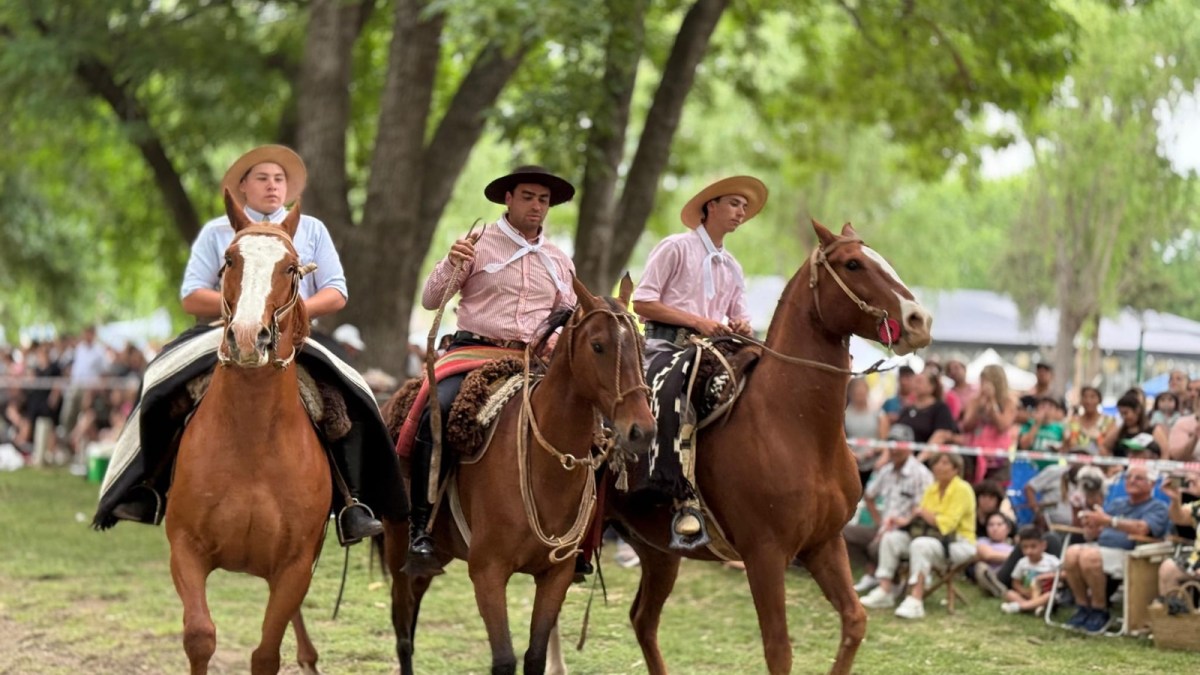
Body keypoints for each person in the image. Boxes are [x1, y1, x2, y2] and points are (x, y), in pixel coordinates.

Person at [94, 145, 404, 547]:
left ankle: (353, 503)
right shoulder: (216, 232)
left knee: (350, 391)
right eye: (262, 178)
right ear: (242, 187)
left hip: (295, 332)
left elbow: (337, 291)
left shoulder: (311, 229)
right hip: (224, 329)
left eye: (279, 179)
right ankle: (145, 486)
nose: (272, 186)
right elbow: (191, 296)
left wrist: (288, 313)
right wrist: (243, 311)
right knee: (159, 377)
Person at [406, 165, 578, 571]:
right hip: (475, 353)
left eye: (543, 200)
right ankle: (420, 528)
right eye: (528, 197)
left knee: (589, 430)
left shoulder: (558, 259)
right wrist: (450, 263)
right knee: (437, 410)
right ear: (509, 199)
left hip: (533, 363)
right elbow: (432, 299)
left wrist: (554, 349)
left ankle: (580, 540)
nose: (536, 205)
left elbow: (566, 316)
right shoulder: (476, 244)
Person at [631, 175, 766, 548]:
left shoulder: (732, 265)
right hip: (665, 347)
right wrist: (697, 321)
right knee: (675, 389)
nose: (741, 213)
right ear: (711, 206)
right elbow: (642, 302)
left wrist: (740, 324)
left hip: (715, 350)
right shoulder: (675, 247)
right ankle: (678, 496)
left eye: (744, 207)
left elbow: (741, 316)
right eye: (734, 204)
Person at [861, 453, 976, 619]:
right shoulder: (932, 488)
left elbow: (947, 525)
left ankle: (916, 599)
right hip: (931, 537)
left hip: (957, 543)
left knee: (920, 544)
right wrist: (902, 521)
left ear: (956, 469)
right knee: (891, 538)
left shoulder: (963, 489)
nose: (938, 467)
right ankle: (885, 590)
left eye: (944, 463)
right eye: (936, 463)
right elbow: (919, 517)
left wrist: (922, 512)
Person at [1061, 464, 1170, 634]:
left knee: (1089, 556)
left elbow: (1143, 528)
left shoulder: (1157, 507)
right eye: (1129, 477)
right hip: (1102, 548)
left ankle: (1100, 610)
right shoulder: (1118, 503)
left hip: (1132, 555)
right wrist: (1091, 527)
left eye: (1138, 478)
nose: (1132, 481)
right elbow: (1098, 530)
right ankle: (1083, 607)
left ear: (1152, 484)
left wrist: (1109, 522)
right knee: (1071, 553)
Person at [844, 424, 934, 594]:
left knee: (882, 543)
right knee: (844, 533)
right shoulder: (886, 470)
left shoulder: (921, 474)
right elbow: (869, 496)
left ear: (909, 447)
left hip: (908, 531)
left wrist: (903, 524)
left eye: (898, 445)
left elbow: (923, 509)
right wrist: (879, 522)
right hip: (884, 527)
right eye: (891, 445)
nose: (893, 450)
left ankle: (889, 581)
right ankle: (873, 573)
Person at [957, 364, 1016, 484]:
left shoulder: (1008, 402)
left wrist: (993, 404)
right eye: (983, 381)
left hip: (998, 458)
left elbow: (1003, 426)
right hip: (975, 456)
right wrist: (979, 408)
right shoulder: (975, 400)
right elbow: (966, 426)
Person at [1156, 472, 1200, 610]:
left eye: (1198, 477)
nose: (1193, 479)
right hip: (1196, 561)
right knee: (1169, 568)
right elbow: (1178, 517)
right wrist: (1175, 500)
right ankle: (1177, 622)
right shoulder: (1197, 507)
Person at [1000, 525, 1061, 615]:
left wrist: (1046, 576)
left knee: (1050, 596)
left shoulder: (1051, 560)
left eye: (1033, 547)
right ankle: (1035, 607)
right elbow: (1015, 582)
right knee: (1009, 593)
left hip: (1044, 595)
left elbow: (1064, 573)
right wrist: (1024, 591)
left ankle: (1020, 607)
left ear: (1043, 545)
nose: (1029, 551)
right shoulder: (1022, 563)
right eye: (1025, 547)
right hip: (1028, 594)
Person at [845, 377, 888, 487]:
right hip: (851, 464)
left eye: (862, 391)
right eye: (856, 392)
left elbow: (884, 441)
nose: (860, 395)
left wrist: (872, 452)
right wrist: (852, 455)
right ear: (850, 393)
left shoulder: (878, 414)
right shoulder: (845, 415)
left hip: (874, 464)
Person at [1064, 386, 1114, 452]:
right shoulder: (1073, 421)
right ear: (1081, 400)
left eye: (1092, 397)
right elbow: (1065, 445)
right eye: (1085, 397)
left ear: (1099, 400)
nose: (1088, 401)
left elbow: (1109, 446)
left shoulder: (1108, 421)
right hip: (1074, 460)